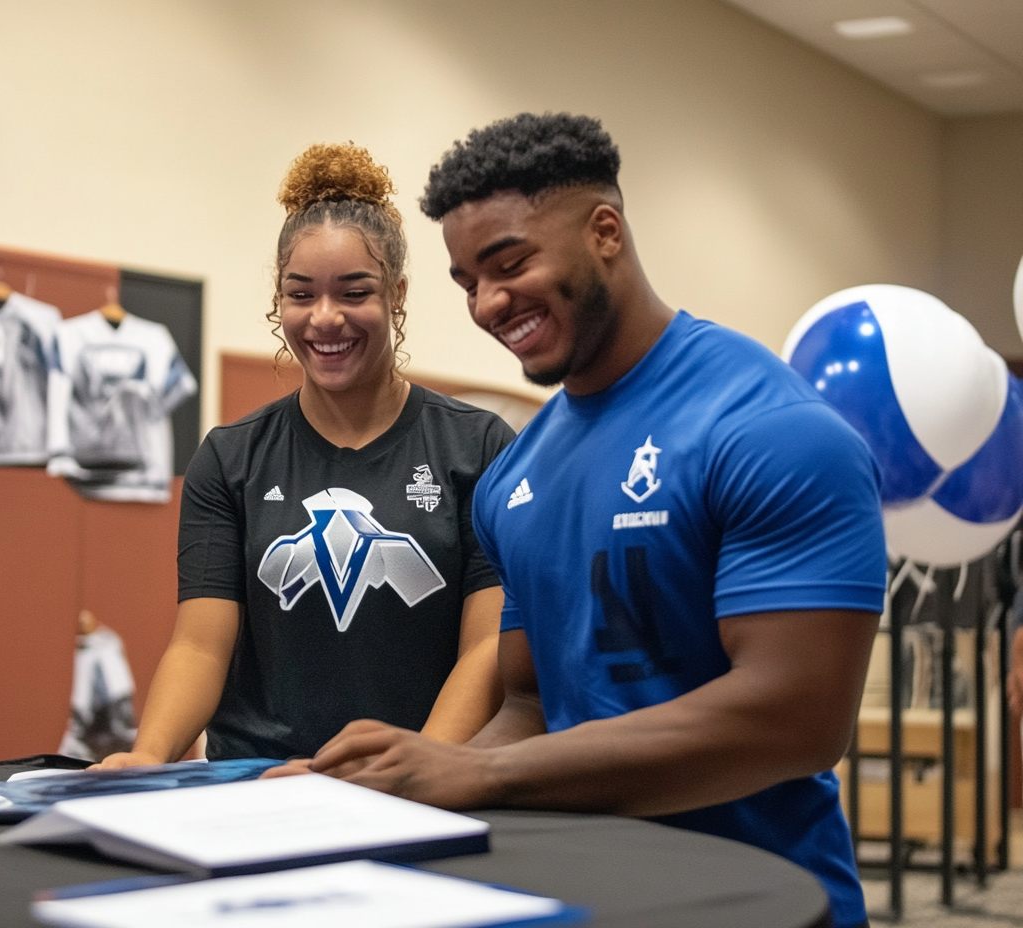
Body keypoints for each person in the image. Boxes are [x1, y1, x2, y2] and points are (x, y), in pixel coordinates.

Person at [301, 114, 887, 928]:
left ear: (604, 231)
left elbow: (795, 720)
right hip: (587, 895)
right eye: (468, 282)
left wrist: (479, 779)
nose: (490, 304)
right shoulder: (512, 478)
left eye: (510, 264)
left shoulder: (771, 429)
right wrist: (407, 785)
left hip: (763, 901)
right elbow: (529, 707)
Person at [95, 143, 515, 767]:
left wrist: (413, 769)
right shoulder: (230, 458)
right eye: (301, 294)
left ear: (396, 294)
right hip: (259, 783)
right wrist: (149, 754)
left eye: (354, 293)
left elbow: (487, 650)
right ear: (278, 300)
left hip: (416, 785)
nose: (325, 319)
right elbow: (201, 647)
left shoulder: (478, 448)